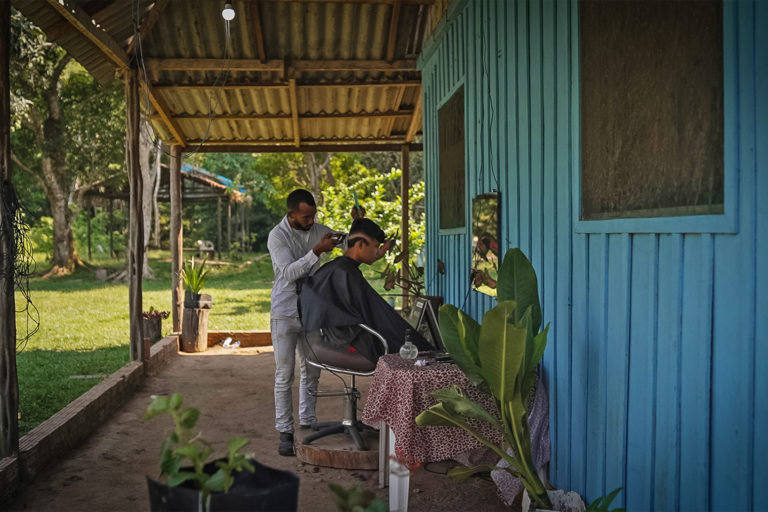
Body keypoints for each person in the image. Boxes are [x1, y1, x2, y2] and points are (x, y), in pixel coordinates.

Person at [267, 188, 356, 457]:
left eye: (313, 215)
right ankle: (285, 430)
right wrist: (316, 251)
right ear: (291, 214)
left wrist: (356, 229)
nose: (311, 221)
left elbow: (347, 243)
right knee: (285, 374)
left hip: (312, 312)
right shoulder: (277, 236)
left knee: (312, 370)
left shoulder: (319, 230)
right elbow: (288, 272)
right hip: (284, 313)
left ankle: (308, 420)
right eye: (306, 217)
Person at [298, 218, 432, 363]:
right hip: (351, 342)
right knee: (415, 350)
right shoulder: (346, 272)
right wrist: (419, 344)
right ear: (361, 244)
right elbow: (377, 316)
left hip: (334, 336)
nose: (377, 252)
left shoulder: (339, 268)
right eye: (375, 247)